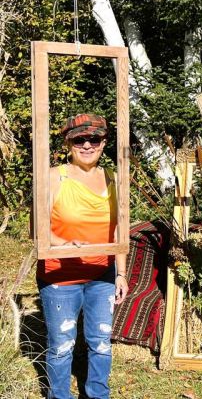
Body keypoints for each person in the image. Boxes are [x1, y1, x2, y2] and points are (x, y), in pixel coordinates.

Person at [36, 113, 128, 399]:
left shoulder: (114, 179)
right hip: (61, 276)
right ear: (68, 143)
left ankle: (98, 395)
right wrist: (63, 243)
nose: (87, 145)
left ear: (104, 142)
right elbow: (36, 229)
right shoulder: (53, 177)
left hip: (102, 276)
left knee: (101, 342)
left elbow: (119, 231)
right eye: (79, 139)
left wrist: (121, 273)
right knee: (62, 346)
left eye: (95, 138)